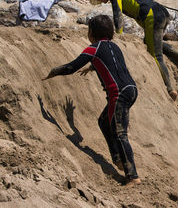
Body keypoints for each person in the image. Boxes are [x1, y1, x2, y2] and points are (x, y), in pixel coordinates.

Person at [43, 15, 141, 186]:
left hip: (118, 93)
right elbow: (113, 63)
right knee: (104, 122)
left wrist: (54, 71)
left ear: (91, 32)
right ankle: (118, 159)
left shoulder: (93, 48)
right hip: (131, 90)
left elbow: (71, 67)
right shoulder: (115, 47)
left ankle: (133, 177)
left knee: (120, 133)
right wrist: (93, 66)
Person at [87, 0, 178, 101]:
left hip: (152, 17)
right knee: (152, 42)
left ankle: (170, 89)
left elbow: (117, 15)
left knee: (155, 54)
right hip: (161, 13)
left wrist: (118, 35)